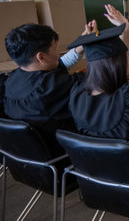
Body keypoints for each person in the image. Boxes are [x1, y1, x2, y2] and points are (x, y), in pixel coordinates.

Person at [67, 2, 129, 181]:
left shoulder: (77, 96)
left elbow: (110, 59)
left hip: (99, 183)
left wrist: (126, 31)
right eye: (127, 58)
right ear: (123, 66)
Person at [4, 21, 96, 156]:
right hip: (68, 156)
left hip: (27, 159)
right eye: (55, 49)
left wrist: (81, 45)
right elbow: (99, 78)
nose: (58, 54)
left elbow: (55, 65)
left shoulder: (12, 79)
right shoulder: (52, 86)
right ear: (40, 56)